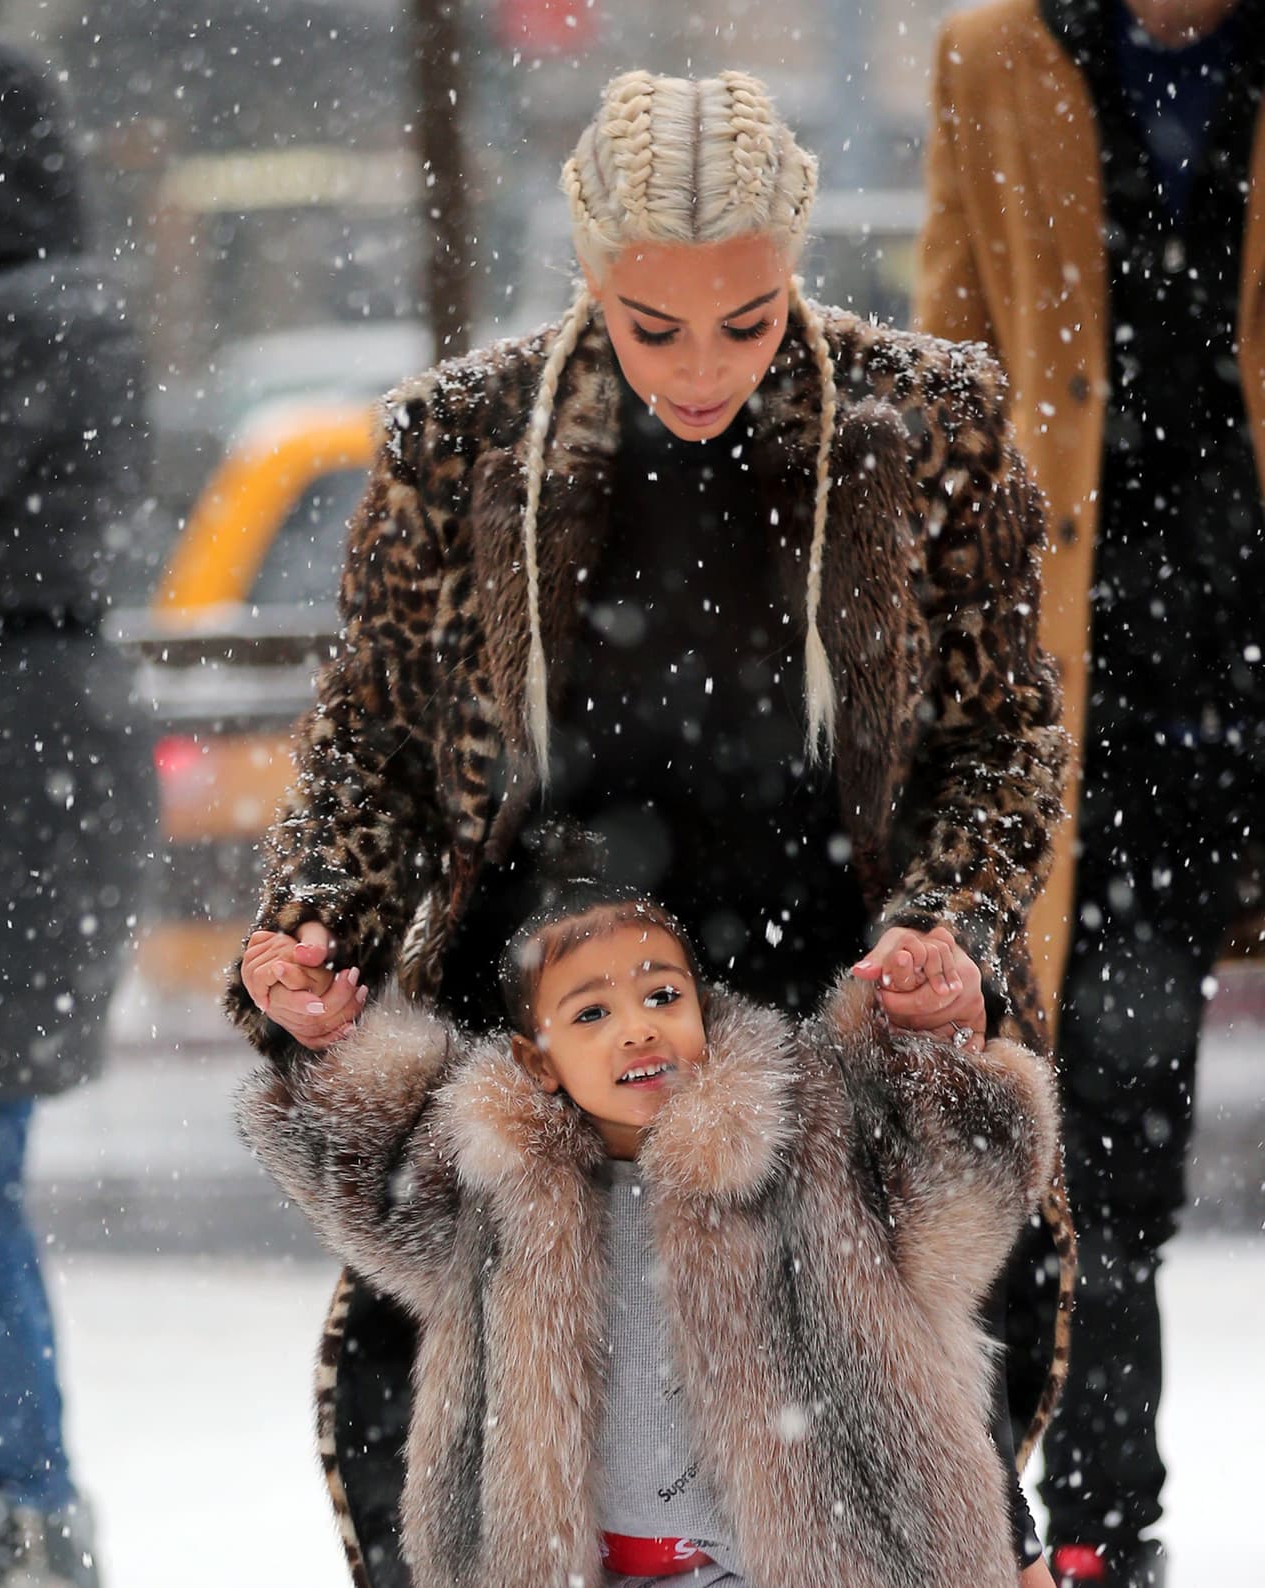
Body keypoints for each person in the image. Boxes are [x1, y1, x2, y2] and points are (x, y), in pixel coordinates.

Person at [229, 69, 1073, 1585]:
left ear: (796, 262)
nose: (702, 368)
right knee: (470, 1470)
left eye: (747, 321)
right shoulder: (461, 439)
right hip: (546, 1013)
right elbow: (372, 744)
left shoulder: (927, 424)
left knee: (886, 1486)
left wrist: (950, 923)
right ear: (587, 273)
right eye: (652, 324)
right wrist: (316, 926)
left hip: (827, 1001)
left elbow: (1001, 733)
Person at [239, 872, 1062, 1588]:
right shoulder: (497, 1180)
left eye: (663, 996)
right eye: (592, 1012)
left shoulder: (803, 1131)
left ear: (704, 1008)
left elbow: (963, 1188)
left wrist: (937, 1037)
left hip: (812, 1560)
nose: (638, 1028)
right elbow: (371, 1177)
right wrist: (327, 1038)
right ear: (536, 1061)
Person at [914, 2, 1265, 1584]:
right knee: (1092, 1146)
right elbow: (955, 368)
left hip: (1236, 666)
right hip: (1098, 691)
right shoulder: (1000, 54)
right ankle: (1093, 1534)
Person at [0, 34, 149, 1588]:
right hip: (42, 769)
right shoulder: (70, 311)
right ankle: (22, 1501)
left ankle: (18, 1502)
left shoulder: (28, 323)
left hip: (9, 775)